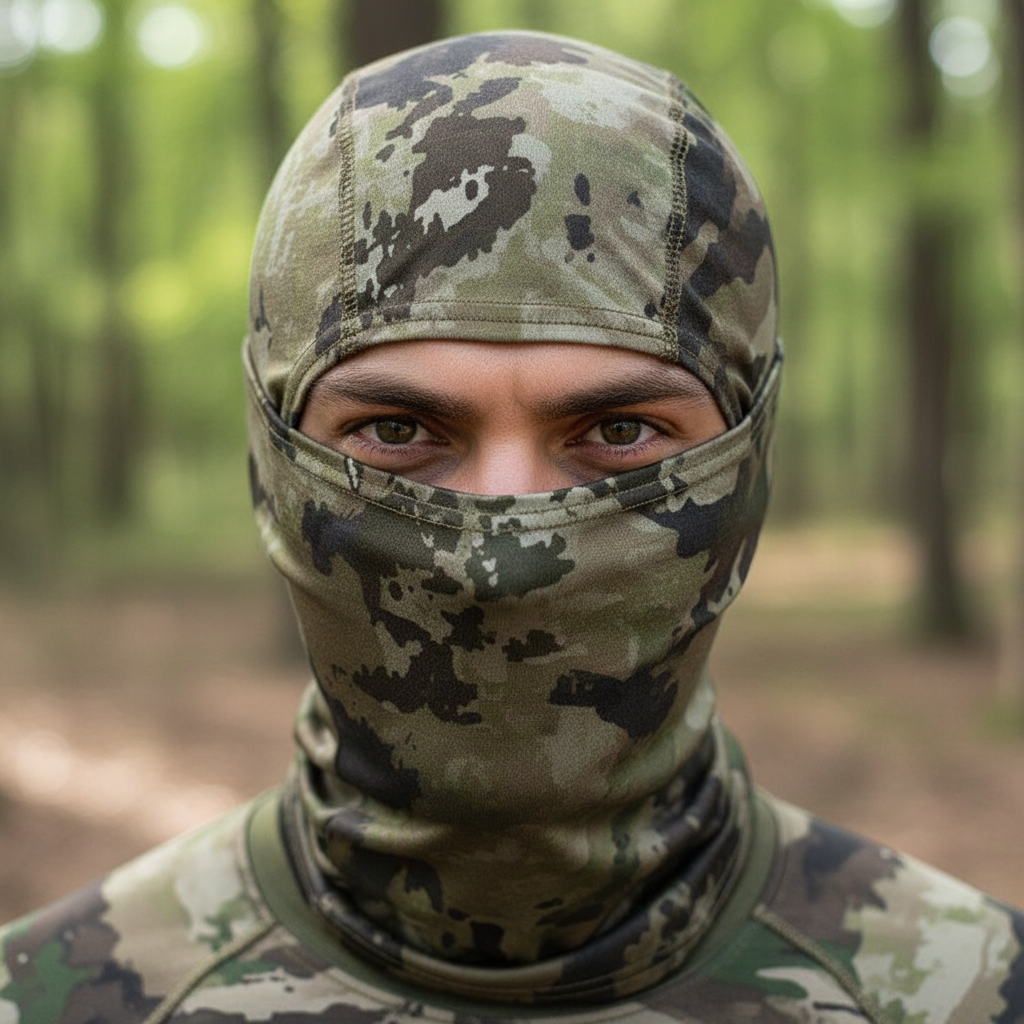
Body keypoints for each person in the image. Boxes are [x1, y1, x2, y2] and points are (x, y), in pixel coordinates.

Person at [1, 29, 1021, 1023]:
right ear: (272, 468)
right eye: (397, 430)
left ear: (747, 473)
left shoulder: (969, 988)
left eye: (618, 431)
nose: (503, 549)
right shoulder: (56, 993)